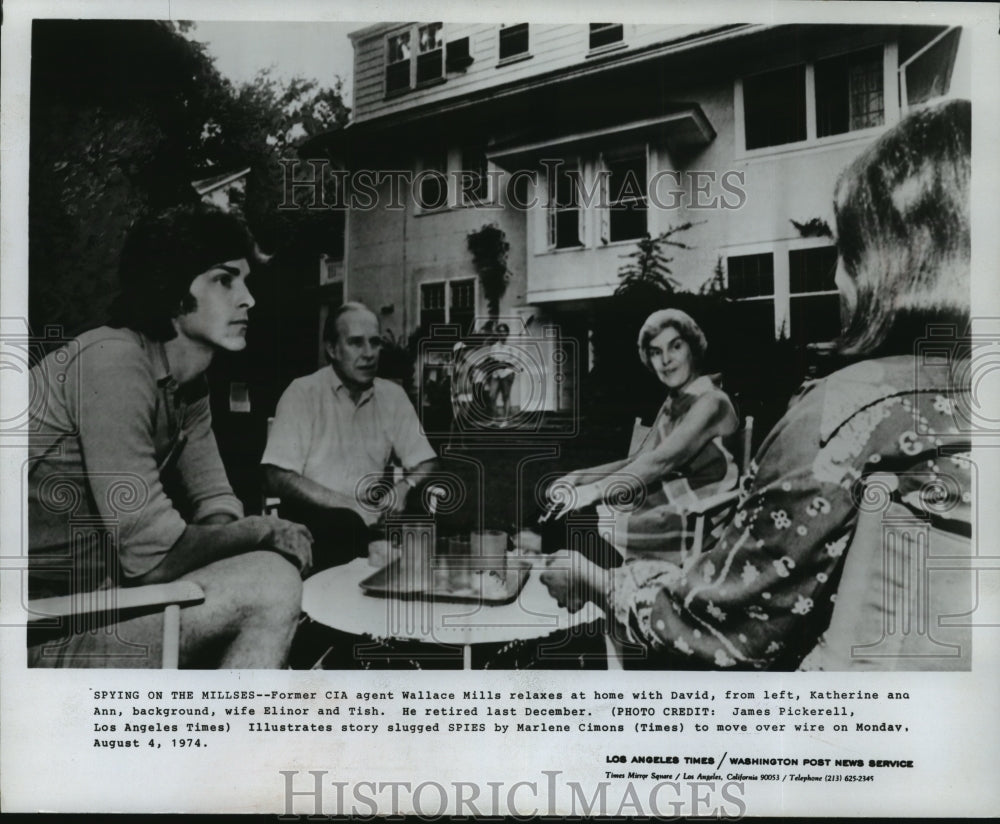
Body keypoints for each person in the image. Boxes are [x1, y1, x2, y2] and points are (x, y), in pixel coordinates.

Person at [541, 98, 973, 670]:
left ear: (888, 261)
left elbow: (715, 618)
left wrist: (594, 575)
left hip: (808, 702)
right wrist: (582, 477)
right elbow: (644, 458)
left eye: (845, 251)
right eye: (654, 351)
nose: (834, 274)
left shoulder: (840, 415)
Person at [28, 203, 313, 669]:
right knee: (270, 584)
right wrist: (263, 530)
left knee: (268, 575)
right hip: (28, 629)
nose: (248, 299)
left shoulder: (187, 386)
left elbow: (216, 503)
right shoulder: (113, 360)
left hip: (86, 607)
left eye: (244, 281)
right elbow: (150, 558)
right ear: (172, 287)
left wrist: (240, 535)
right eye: (225, 280)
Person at [548, 309, 738, 560]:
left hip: (698, 516)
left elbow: (662, 461)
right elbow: (638, 458)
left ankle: (605, 588)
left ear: (693, 349)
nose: (666, 360)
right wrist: (580, 477)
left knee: (575, 529)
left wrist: (593, 491)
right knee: (563, 520)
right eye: (656, 352)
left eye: (675, 347)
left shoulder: (712, 401)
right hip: (669, 499)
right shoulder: (675, 401)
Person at [262, 302, 438, 567]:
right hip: (313, 519)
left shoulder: (392, 396)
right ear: (332, 349)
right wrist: (351, 506)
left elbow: (427, 461)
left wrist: (404, 487)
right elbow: (276, 476)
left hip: (372, 519)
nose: (369, 354)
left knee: (445, 511)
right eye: (356, 343)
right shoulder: (303, 393)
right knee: (346, 525)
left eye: (375, 342)